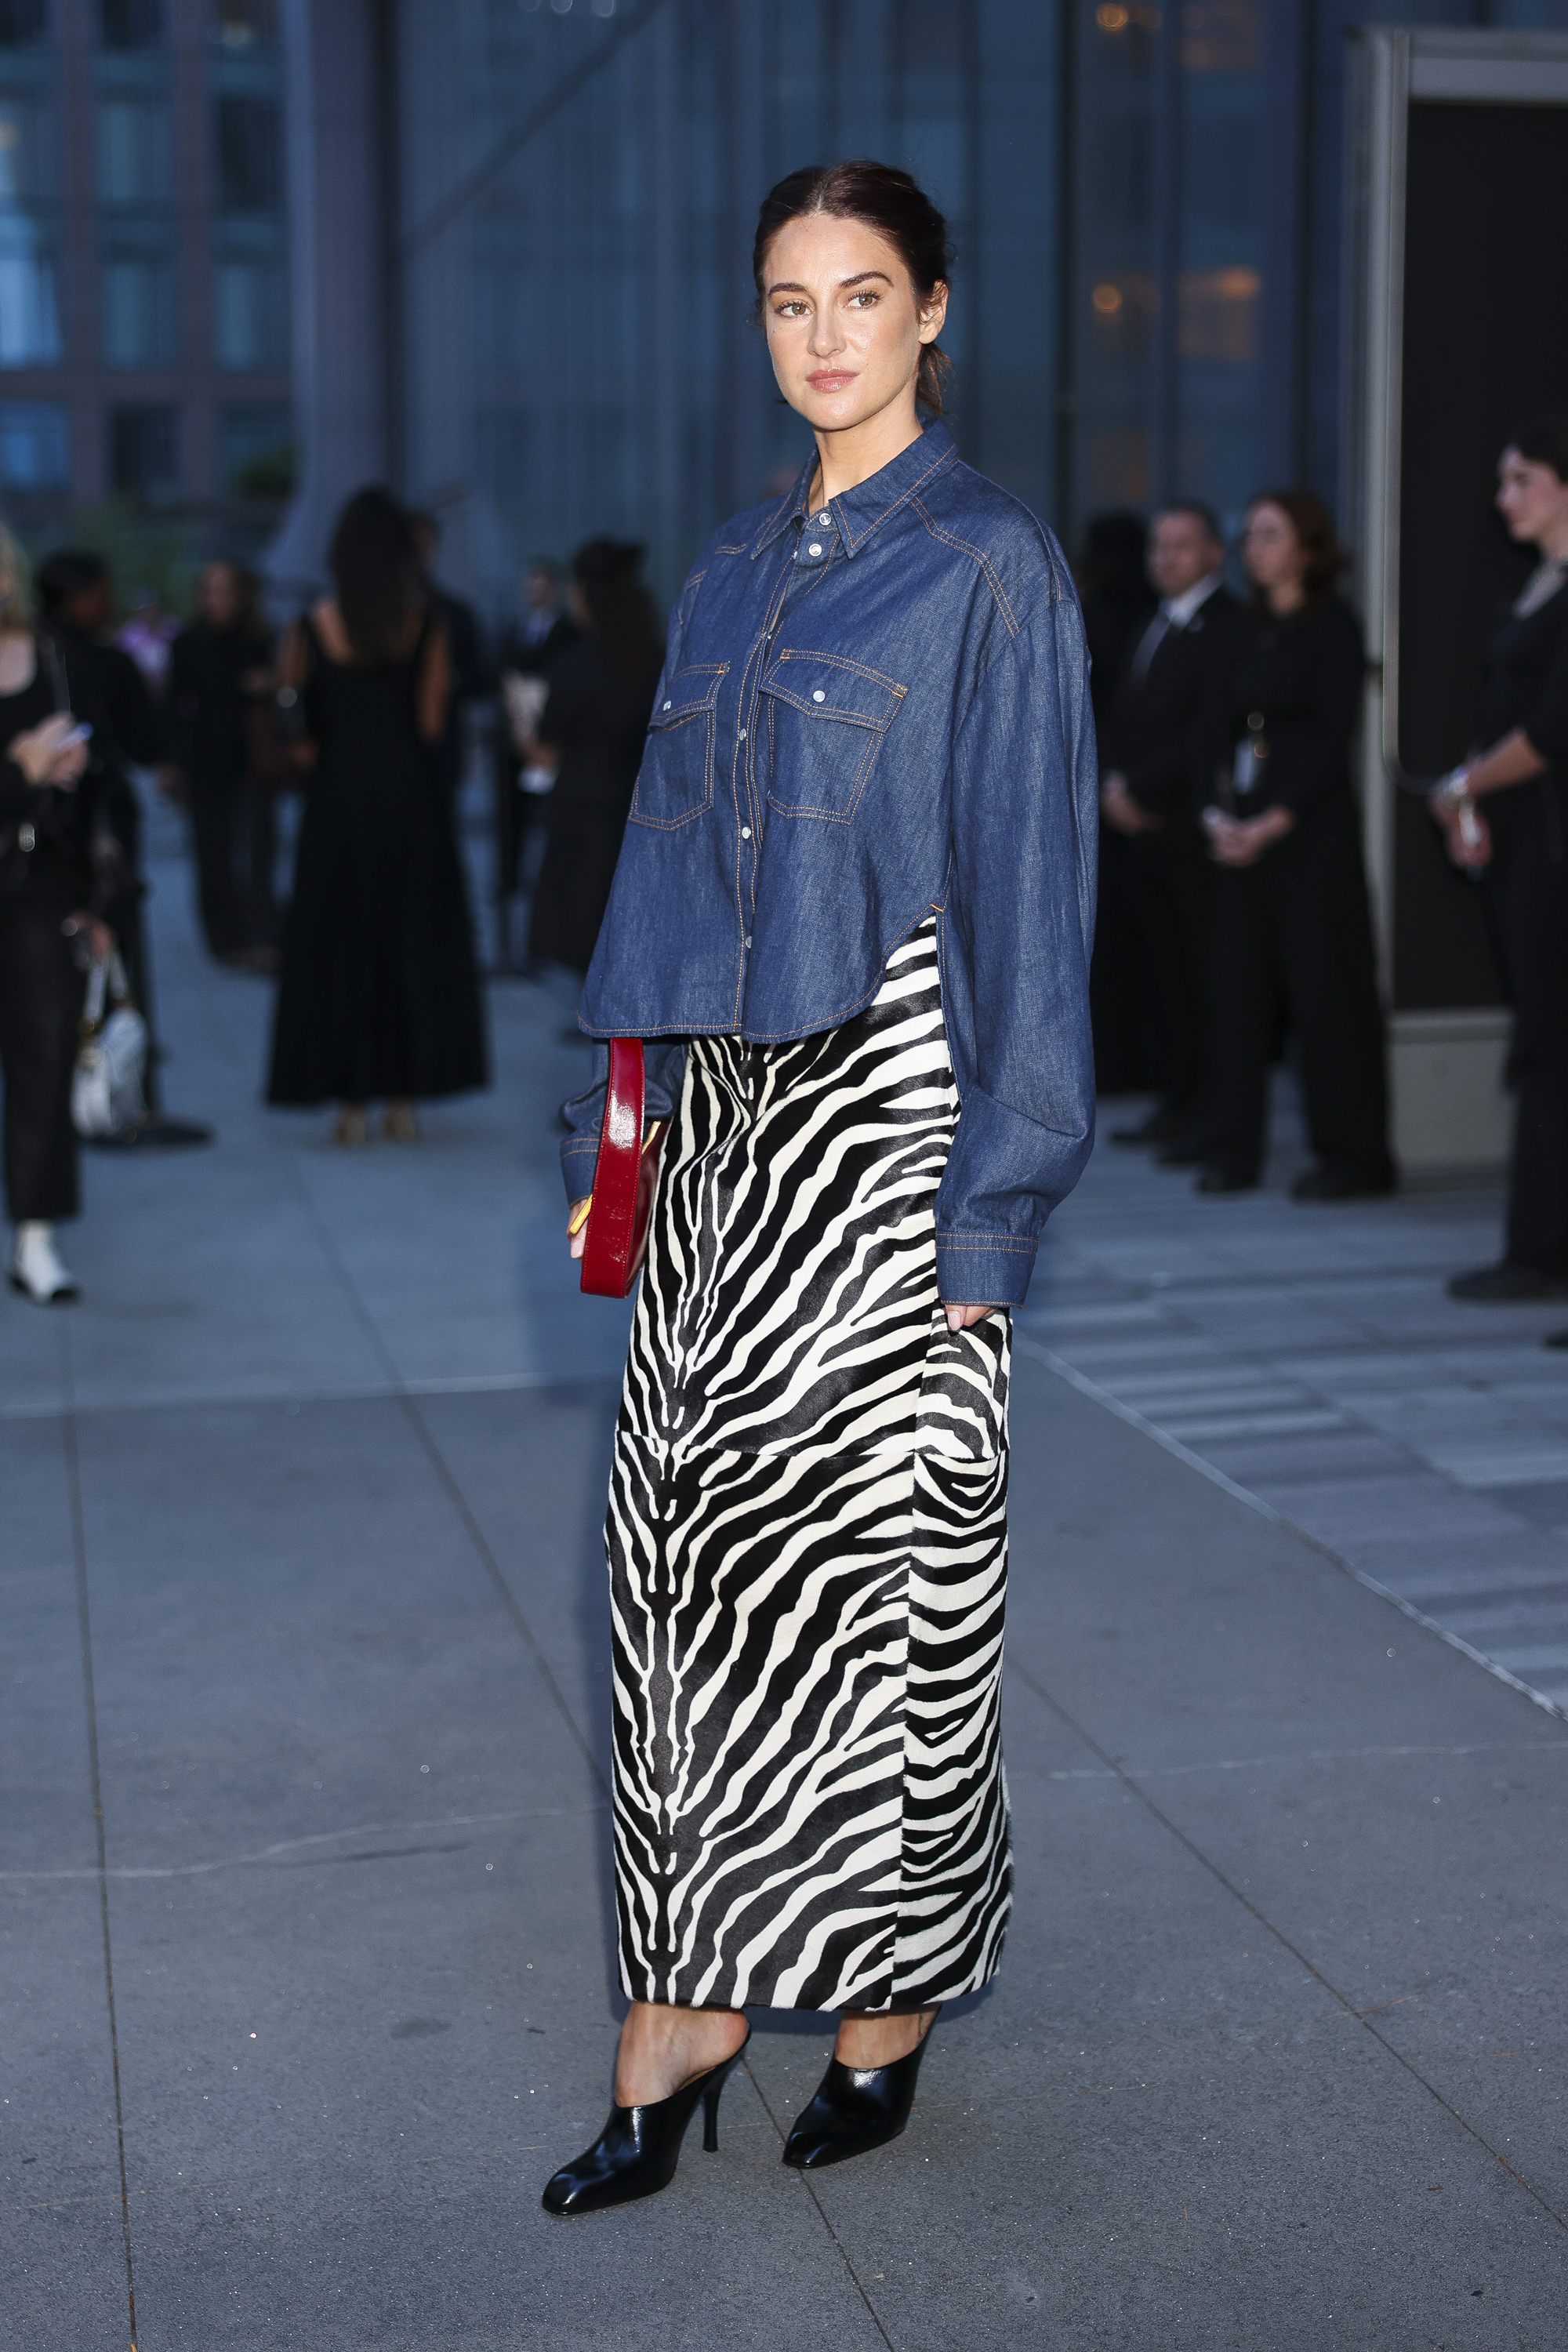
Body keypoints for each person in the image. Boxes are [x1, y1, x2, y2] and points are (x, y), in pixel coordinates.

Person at [539, 160, 1095, 2217]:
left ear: (933, 308)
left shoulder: (990, 566)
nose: (825, 335)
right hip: (719, 1142)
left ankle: (886, 1997)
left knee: (891, 1596)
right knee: (674, 1573)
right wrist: (625, 1138)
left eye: (862, 294)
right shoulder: (729, 563)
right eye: (789, 300)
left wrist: (996, 1210)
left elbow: (1035, 905)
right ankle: (681, 2008)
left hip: (893, 1129)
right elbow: (662, 874)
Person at [266, 487, 488, 1145]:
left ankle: (349, 1104)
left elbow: (297, 729)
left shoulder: (309, 627)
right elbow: (430, 723)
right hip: (410, 801)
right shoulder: (425, 626)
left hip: (337, 801)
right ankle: (402, 1098)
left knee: (339, 943)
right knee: (410, 941)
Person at [1195, 492, 1395, 1200]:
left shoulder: (1334, 628)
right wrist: (1214, 814)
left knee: (1326, 997)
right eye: (1249, 535)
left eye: (1271, 535)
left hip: (1310, 838)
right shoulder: (1237, 630)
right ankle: (1232, 1149)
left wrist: (1272, 821)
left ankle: (1353, 1158)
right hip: (1240, 833)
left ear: (1308, 548)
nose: (1255, 548)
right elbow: (1207, 733)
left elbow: (1330, 741)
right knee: (1236, 992)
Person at [1433, 420, 1568, 1305]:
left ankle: (1540, 1252)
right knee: (1544, 1045)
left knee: (1554, 1046)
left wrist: (1460, 788)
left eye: (1521, 479)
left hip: (1553, 849)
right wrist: (1469, 802)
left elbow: (1551, 732)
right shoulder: (1541, 584)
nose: (1504, 498)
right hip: (1527, 845)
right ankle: (1538, 1248)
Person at [36, 549, 210, 1150]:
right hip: (99, 834)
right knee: (115, 961)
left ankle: (69, 1098)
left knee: (51, 966)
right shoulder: (100, 659)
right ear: (80, 595)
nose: (108, 603)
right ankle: (120, 1102)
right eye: (102, 592)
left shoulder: (28, 655)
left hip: (37, 838)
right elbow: (145, 740)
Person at [1099, 502, 1240, 1155]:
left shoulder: (1226, 625)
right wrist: (1111, 784)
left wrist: (1136, 787)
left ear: (1214, 553)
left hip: (1192, 831)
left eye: (1182, 546)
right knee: (1163, 976)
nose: (1166, 558)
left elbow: (1204, 731)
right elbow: (1123, 718)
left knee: (1203, 977)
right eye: (1159, 546)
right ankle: (1177, 1101)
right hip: (1145, 832)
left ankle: (1211, 1112)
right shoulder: (1151, 623)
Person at [0, 526, 108, 1303]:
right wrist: (20, 769)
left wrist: (70, 767)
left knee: (43, 1061)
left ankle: (36, 1237)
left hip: (40, 884)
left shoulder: (52, 658)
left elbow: (102, 790)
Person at [521, 539, 660, 975]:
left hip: (581, 817)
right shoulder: (658, 658)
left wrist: (518, 720)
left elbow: (543, 752)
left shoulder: (574, 667)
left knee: (588, 942)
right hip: (642, 812)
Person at [1078, 511, 1159, 1098]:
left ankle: (1116, 1064)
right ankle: (1142, 1066)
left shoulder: (1092, 614)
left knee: (1109, 938)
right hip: (1139, 787)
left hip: (1103, 784)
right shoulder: (1151, 616)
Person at [165, 561, 278, 969]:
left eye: (225, 590)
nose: (216, 600)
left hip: (253, 756)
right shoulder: (188, 642)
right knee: (212, 849)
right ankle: (225, 939)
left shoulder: (259, 639)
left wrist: (271, 684)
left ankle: (260, 934)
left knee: (255, 848)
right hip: (206, 758)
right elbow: (175, 705)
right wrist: (171, 762)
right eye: (209, 590)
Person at [493, 560, 581, 963]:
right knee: (517, 817)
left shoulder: (566, 633)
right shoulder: (515, 631)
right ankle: (512, 882)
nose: (535, 593)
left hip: (554, 736)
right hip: (520, 737)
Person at [408, 508, 494, 804]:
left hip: (442, 749)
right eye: (411, 545)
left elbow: (481, 677)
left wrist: (446, 682)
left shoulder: (454, 614)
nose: (418, 553)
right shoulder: (378, 618)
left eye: (424, 544)